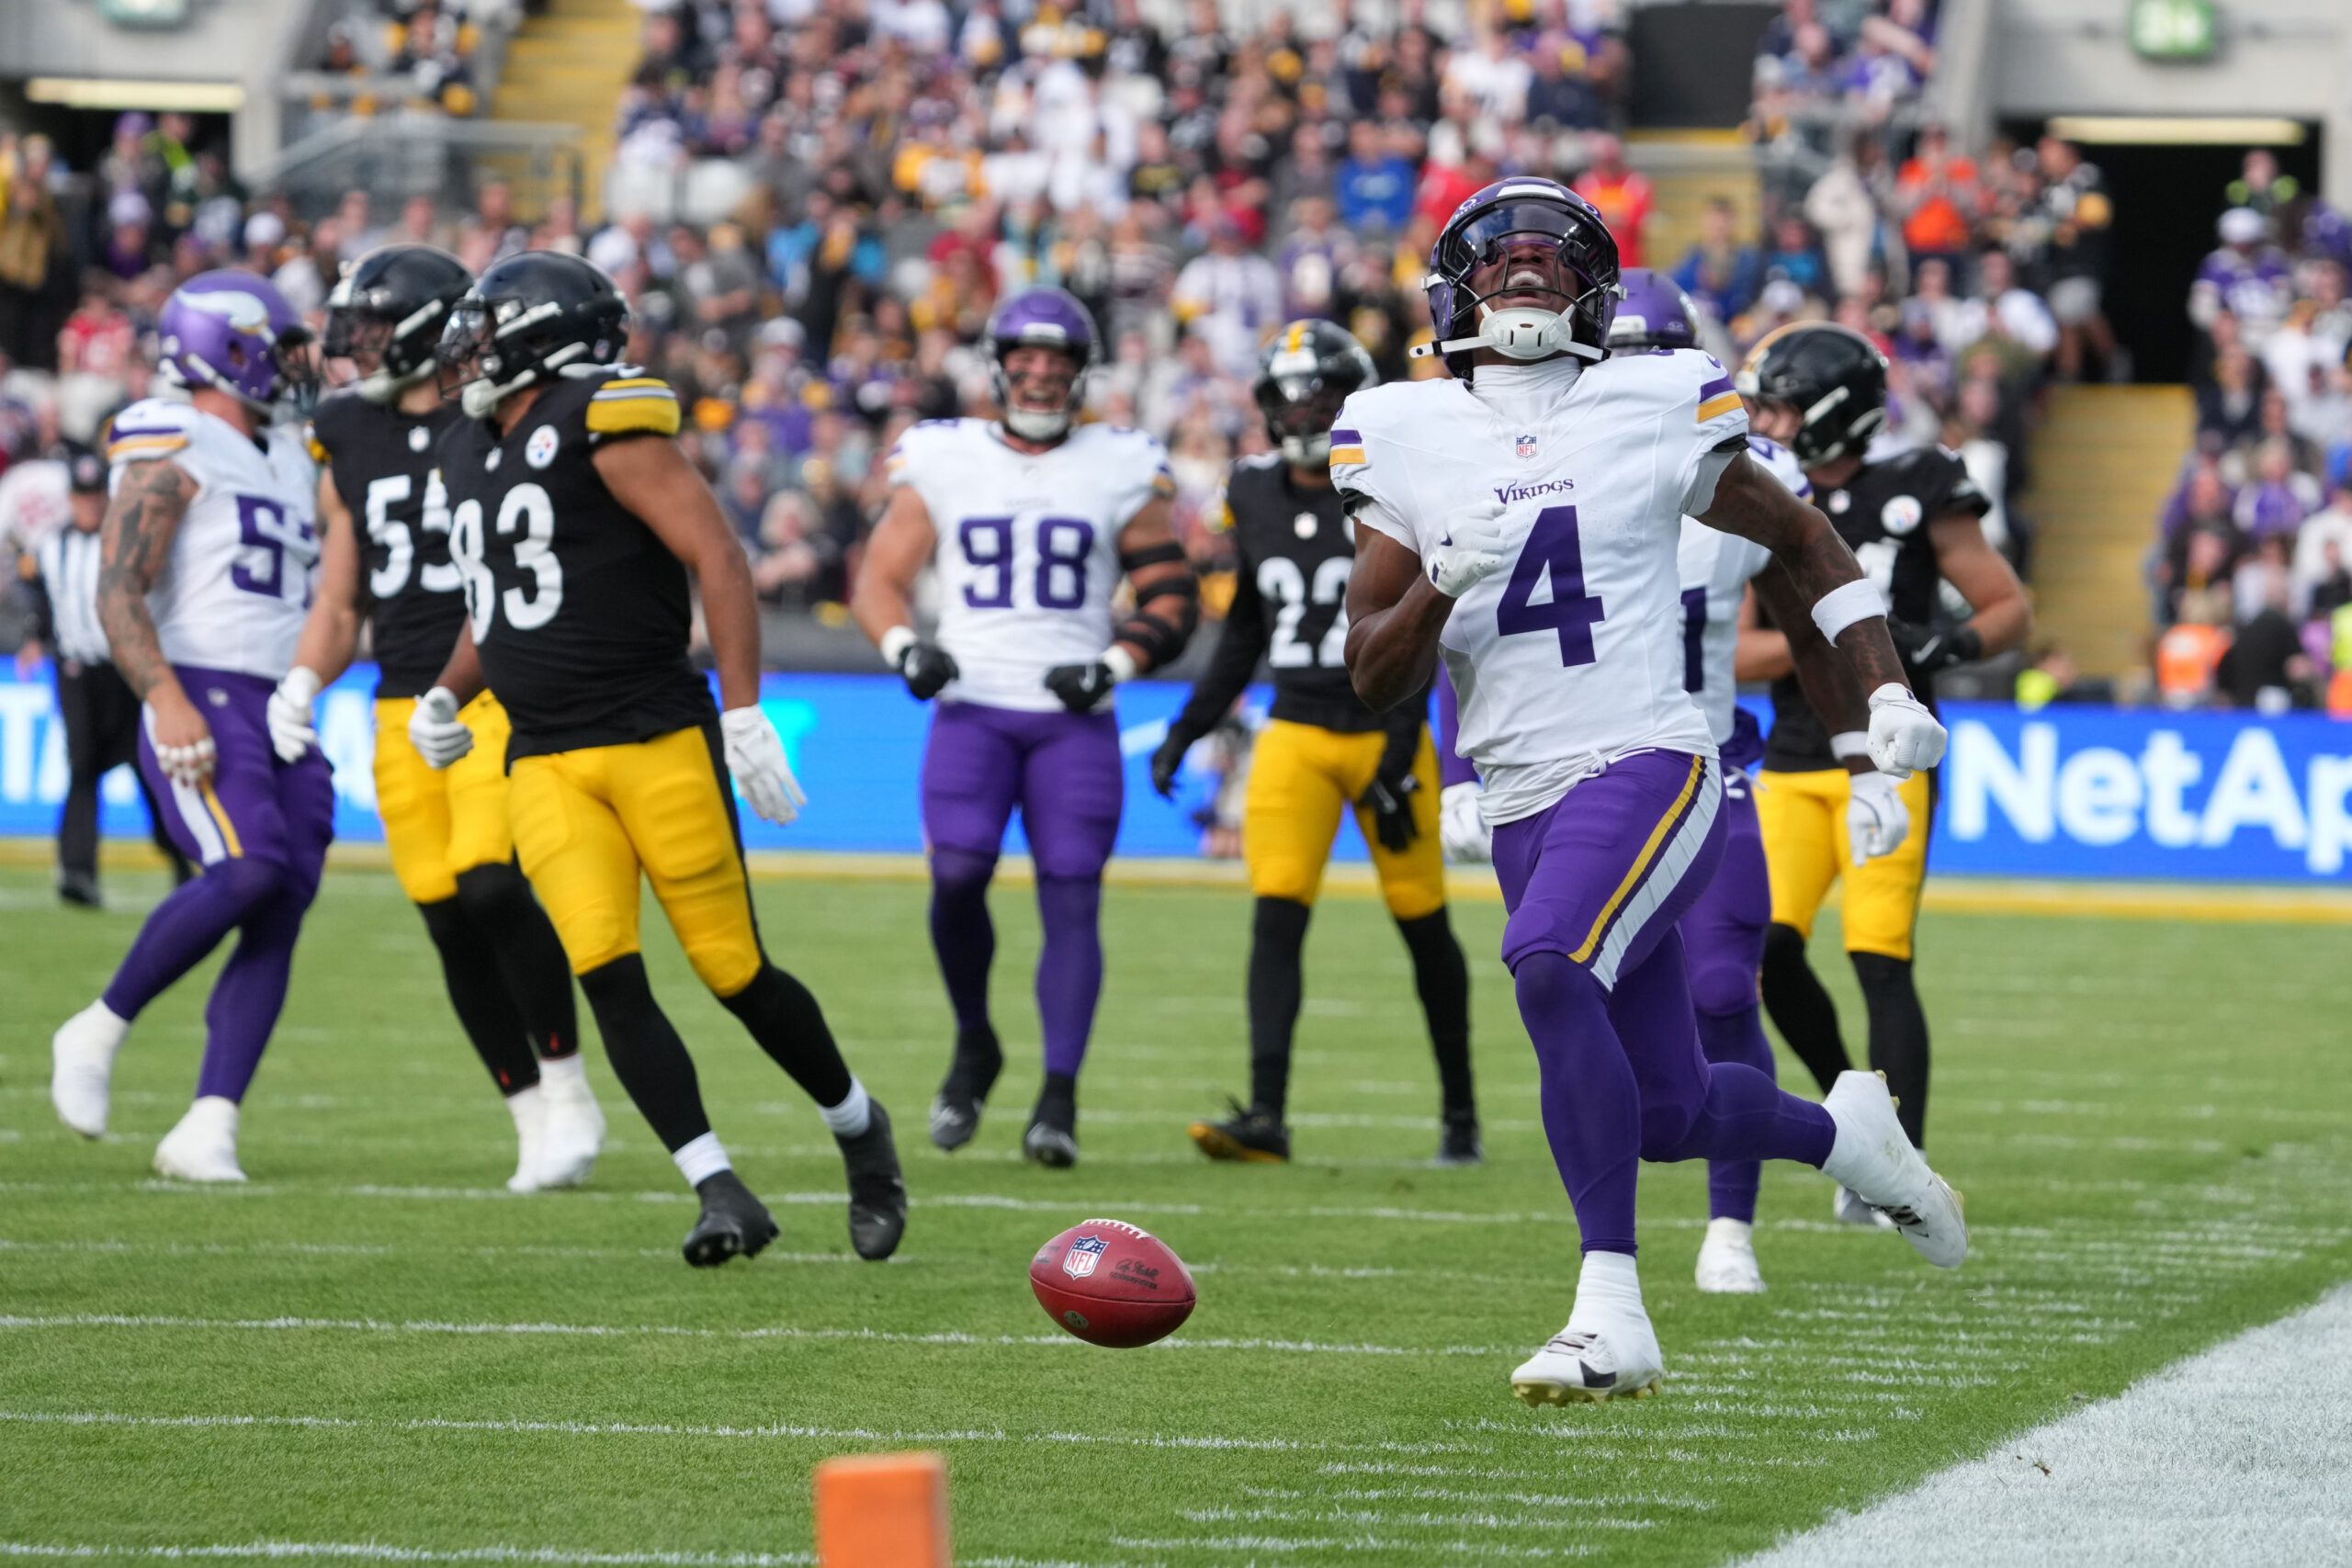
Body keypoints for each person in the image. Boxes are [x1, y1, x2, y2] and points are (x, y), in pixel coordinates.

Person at [1337, 179, 1967, 1404]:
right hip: (1523, 787)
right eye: (1504, 262)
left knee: (1549, 959)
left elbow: (1804, 542)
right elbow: (1373, 672)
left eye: (1551, 262)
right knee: (1667, 1108)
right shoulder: (1400, 428)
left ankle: (1608, 1310)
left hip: (1652, 754)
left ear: (1599, 293)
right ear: (1454, 290)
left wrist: (1880, 696)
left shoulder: (1655, 398)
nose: (1526, 278)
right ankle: (1853, 1138)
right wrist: (1434, 588)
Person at [419, 251, 904, 1267]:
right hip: (544, 758)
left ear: (542, 338)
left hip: (651, 735)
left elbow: (716, 554)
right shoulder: (469, 446)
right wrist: (446, 692)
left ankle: (861, 1129)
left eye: (487, 329)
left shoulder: (599, 416)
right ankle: (719, 1189)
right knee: (605, 972)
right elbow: (499, 604)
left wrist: (742, 713)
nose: (467, 350)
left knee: (732, 972)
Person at [267, 244, 604, 1194]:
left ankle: (571, 1088)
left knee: (493, 883)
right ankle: (531, 1113)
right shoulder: (345, 430)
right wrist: (301, 681)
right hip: (395, 698)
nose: (351, 348)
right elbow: (341, 597)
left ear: (424, 328)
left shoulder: (496, 411)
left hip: (493, 683)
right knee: (446, 915)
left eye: (370, 330)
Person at [852, 287, 1199, 1168]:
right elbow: (878, 580)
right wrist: (902, 647)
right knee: (957, 876)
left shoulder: (1121, 462)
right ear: (1000, 367)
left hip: (1071, 717)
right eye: (1027, 361)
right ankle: (977, 1039)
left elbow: (1171, 594)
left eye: (1057, 363)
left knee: (1072, 893)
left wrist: (1114, 664)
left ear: (1081, 374)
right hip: (971, 705)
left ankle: (1058, 1097)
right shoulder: (944, 456)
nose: (1040, 377)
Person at [1149, 321, 1477, 1167]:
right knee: (1275, 914)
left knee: (1423, 924)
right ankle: (1266, 1112)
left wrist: (1404, 757)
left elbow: (1422, 625)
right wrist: (1188, 728)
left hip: (1381, 728)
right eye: (1289, 396)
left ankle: (1461, 1115)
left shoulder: (1391, 476)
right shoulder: (1251, 488)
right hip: (1294, 724)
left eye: (1320, 395)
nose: (1302, 411)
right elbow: (1245, 630)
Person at [1740, 324, 2031, 1214]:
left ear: (1832, 414)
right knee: (1765, 954)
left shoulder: (1915, 488)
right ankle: (1854, 1120)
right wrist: (1825, 641)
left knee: (1878, 957)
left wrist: (1939, 642)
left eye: (1784, 407)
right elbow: (1736, 650)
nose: (1768, 423)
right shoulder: (1753, 493)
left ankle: (1899, 1159)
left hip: (1888, 755)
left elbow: (2006, 606)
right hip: (1791, 755)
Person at [49, 270, 332, 1182]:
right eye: (277, 346)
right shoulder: (173, 438)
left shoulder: (290, 452)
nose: (293, 365)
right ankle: (97, 1028)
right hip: (201, 685)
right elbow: (118, 585)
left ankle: (210, 1123)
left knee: (282, 901)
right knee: (247, 866)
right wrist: (163, 694)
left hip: (282, 699)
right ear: (229, 347)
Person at [19, 441, 191, 906]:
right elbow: (37, 597)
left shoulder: (126, 541)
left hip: (128, 670)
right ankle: (77, 871)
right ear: (72, 498)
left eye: (98, 497)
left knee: (149, 768)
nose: (91, 505)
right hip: (76, 671)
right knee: (81, 768)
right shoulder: (50, 546)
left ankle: (180, 858)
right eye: (83, 496)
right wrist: (37, 637)